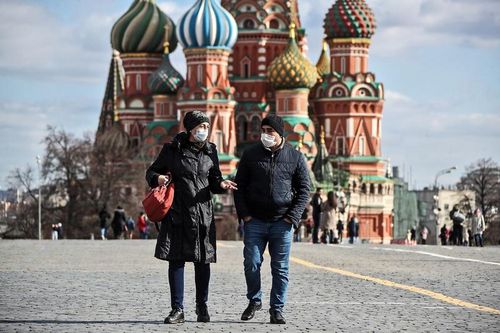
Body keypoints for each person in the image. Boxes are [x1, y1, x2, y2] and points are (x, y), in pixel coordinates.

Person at [146, 110, 237, 324]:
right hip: (178, 213)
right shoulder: (172, 149)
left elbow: (215, 180)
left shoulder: (211, 151)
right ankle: (177, 309)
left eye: (206, 127)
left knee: (202, 262)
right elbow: (150, 173)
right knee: (176, 261)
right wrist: (158, 178)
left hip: (203, 214)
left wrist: (222, 185)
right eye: (200, 127)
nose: (204, 131)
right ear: (190, 129)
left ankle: (201, 306)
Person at [234, 115, 310, 325]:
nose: (265, 135)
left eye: (270, 131)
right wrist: (245, 215)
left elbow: (305, 190)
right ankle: (254, 300)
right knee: (251, 263)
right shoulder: (250, 154)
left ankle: (276, 309)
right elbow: (239, 187)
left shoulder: (295, 156)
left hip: (282, 223)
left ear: (280, 133)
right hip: (255, 221)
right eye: (263, 130)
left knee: (281, 268)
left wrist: (292, 218)